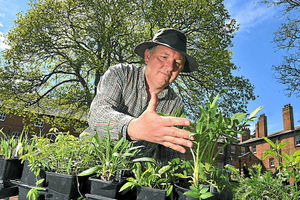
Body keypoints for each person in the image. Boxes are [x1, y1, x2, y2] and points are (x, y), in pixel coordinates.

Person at [86, 28, 198, 162]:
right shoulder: (120, 74)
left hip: (133, 174)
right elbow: (97, 113)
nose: (169, 67)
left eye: (178, 63)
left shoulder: (175, 105)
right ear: (147, 56)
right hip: (90, 159)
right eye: (164, 57)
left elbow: (169, 155)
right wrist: (133, 127)